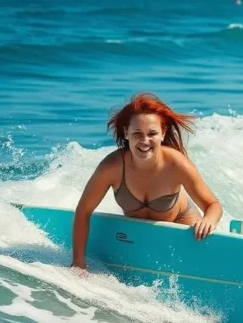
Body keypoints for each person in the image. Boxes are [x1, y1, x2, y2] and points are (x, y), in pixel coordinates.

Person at [71, 93, 223, 270]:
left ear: (163, 133)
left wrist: (208, 220)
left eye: (152, 133)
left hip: (183, 228)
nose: (145, 141)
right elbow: (83, 211)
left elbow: (213, 205)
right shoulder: (112, 167)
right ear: (126, 133)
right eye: (137, 133)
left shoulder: (177, 164)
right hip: (142, 234)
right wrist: (78, 263)